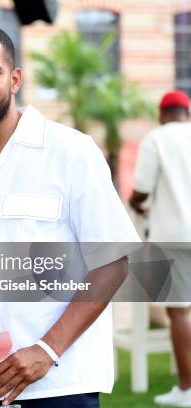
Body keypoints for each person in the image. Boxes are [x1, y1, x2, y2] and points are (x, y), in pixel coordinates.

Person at [0, 25, 140, 407]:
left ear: (15, 79)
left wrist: (47, 350)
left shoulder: (71, 152)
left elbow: (113, 262)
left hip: (56, 384)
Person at [130, 90, 191, 407]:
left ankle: (186, 390)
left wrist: (135, 204)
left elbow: (141, 189)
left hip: (175, 236)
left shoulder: (157, 139)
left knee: (180, 311)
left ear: (162, 113)